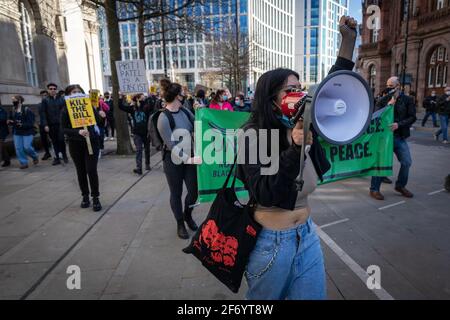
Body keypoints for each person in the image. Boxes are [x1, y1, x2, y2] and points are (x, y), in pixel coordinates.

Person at [235, 16, 358, 300]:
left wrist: (348, 41)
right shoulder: (253, 135)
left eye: (300, 87)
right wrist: (292, 150)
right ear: (271, 99)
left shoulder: (302, 121)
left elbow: (332, 87)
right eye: (291, 91)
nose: (300, 95)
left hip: (307, 236)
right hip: (271, 244)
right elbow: (265, 193)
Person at [156, 80, 200, 239]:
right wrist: (189, 160)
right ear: (177, 96)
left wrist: (201, 113)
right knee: (176, 193)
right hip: (173, 160)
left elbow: (200, 127)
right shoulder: (163, 118)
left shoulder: (186, 112)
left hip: (190, 157)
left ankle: (188, 214)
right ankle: (180, 223)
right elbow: (172, 146)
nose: (185, 95)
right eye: (183, 93)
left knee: (194, 191)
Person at [369, 77, 417, 201]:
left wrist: (398, 124)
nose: (389, 87)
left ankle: (400, 186)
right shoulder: (383, 98)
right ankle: (374, 189)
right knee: (381, 163)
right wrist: (387, 105)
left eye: (392, 85)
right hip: (384, 138)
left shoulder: (407, 100)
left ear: (398, 86)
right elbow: (375, 113)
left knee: (406, 162)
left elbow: (412, 117)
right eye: (388, 85)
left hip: (399, 136)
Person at [61, 84, 103, 212]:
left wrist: (101, 115)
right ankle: (85, 195)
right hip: (75, 144)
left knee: (91, 169)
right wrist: (77, 132)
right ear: (69, 95)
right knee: (81, 171)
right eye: (74, 92)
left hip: (91, 143)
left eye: (79, 92)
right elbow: (63, 129)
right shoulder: (65, 110)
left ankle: (95, 197)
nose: (77, 94)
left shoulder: (88, 105)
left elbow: (99, 122)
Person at [119, 93, 153, 174]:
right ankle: (139, 168)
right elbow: (121, 107)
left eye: (144, 96)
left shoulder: (146, 106)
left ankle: (147, 164)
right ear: (138, 98)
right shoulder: (132, 108)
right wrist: (121, 97)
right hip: (137, 133)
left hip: (146, 132)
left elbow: (152, 105)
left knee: (147, 149)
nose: (144, 97)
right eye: (142, 96)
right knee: (139, 150)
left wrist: (150, 96)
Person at [7, 95, 39, 169]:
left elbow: (31, 123)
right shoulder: (12, 110)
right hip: (17, 132)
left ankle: (35, 156)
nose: (13, 102)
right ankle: (24, 163)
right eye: (12, 100)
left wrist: (22, 125)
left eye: (14, 100)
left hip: (27, 131)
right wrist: (10, 121)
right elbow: (12, 119)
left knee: (27, 147)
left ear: (19, 100)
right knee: (18, 148)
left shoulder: (27, 110)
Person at [41, 83, 68, 165]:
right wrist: (45, 124)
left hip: (61, 124)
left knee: (61, 140)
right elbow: (43, 113)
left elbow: (66, 111)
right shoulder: (45, 100)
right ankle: (56, 157)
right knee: (54, 141)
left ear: (56, 90)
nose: (52, 90)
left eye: (54, 89)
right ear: (48, 90)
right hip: (51, 124)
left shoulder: (62, 99)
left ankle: (64, 155)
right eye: (50, 89)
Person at [37, 90, 52, 160]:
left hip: (51, 123)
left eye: (45, 95)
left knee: (53, 138)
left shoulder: (51, 103)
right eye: (42, 96)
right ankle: (47, 152)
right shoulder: (39, 104)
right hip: (42, 124)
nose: (44, 97)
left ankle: (58, 153)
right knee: (43, 139)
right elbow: (40, 114)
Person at [0, 99, 11, 167]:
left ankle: (6, 160)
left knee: (1, 146)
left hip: (2, 131)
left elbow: (3, 118)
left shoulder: (1, 110)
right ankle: (7, 160)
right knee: (2, 147)